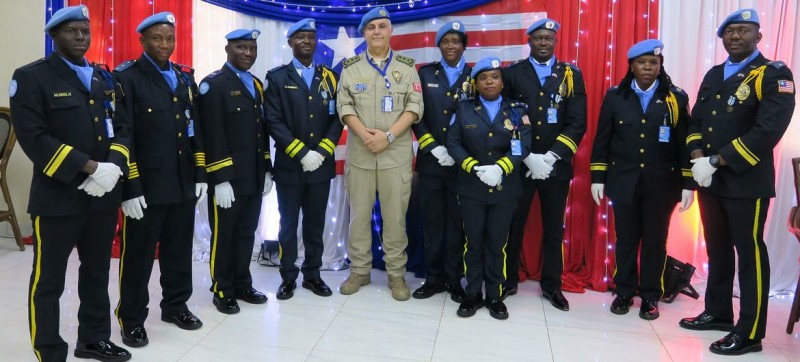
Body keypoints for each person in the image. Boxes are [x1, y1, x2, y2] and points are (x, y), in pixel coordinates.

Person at [10, 5, 132, 362]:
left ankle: (93, 340)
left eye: (85, 31)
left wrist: (114, 168)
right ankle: (48, 349)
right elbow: (34, 137)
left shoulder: (104, 78)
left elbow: (123, 129)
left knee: (96, 273)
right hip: (58, 197)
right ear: (54, 36)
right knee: (49, 280)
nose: (81, 37)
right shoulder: (31, 77)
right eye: (71, 32)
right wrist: (91, 167)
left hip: (101, 197)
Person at [679, 9, 795, 356]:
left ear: (758, 36)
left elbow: (768, 130)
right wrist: (698, 155)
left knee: (749, 253)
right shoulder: (715, 75)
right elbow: (695, 121)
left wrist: (716, 160)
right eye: (729, 32)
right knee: (716, 249)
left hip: (746, 181)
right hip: (710, 180)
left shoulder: (774, 74)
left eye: (743, 31)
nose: (734, 37)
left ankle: (750, 331)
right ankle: (718, 311)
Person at [113, 12, 208, 348]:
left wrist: (200, 173)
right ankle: (132, 318)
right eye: (157, 38)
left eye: (170, 38)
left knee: (178, 249)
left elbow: (195, 130)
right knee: (137, 255)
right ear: (142, 41)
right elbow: (124, 138)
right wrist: (130, 186)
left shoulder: (184, 79)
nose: (165, 45)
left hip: (182, 183)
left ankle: (175, 305)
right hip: (147, 186)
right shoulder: (126, 78)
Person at [589, 39, 694, 321]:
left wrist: (688, 183)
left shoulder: (676, 98)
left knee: (655, 242)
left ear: (661, 66)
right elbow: (603, 140)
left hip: (662, 184)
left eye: (653, 63)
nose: (648, 67)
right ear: (631, 66)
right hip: (623, 182)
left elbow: (685, 142)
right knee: (625, 240)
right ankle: (624, 291)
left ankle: (650, 296)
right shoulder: (615, 97)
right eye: (642, 62)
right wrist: (597, 177)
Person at [336, 7, 423, 301]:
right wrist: (365, 136)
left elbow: (414, 107)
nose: (376, 31)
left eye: (381, 26)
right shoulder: (351, 68)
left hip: (395, 155)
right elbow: (344, 106)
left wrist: (386, 137)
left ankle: (396, 274)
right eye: (371, 27)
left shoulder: (407, 66)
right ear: (364, 33)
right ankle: (360, 270)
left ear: (390, 31)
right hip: (361, 155)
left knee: (395, 218)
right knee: (358, 216)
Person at [502, 18, 587, 311]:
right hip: (521, 163)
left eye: (548, 38)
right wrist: (527, 155)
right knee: (513, 224)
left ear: (555, 42)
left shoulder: (571, 75)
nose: (543, 43)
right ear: (529, 41)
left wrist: (550, 157)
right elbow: (506, 116)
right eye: (538, 38)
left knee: (554, 227)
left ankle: (552, 285)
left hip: (555, 166)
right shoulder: (512, 73)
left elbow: (578, 122)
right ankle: (508, 279)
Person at [448, 57, 531, 320]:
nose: (489, 81)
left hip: (505, 188)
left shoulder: (517, 110)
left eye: (494, 77)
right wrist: (474, 167)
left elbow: (523, 145)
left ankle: (495, 295)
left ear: (501, 81)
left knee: (498, 243)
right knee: (473, 242)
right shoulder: (463, 110)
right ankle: (472, 293)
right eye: (483, 78)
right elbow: (454, 144)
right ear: (476, 83)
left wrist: (501, 168)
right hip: (471, 187)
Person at [265, 18, 342, 300]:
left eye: (311, 37)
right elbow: (273, 121)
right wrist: (301, 152)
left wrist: (320, 152)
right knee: (287, 224)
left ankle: (313, 274)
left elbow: (338, 120)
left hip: (320, 167)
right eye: (300, 38)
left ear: (316, 42)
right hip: (289, 166)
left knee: (314, 224)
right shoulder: (276, 78)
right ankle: (287, 277)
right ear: (290, 43)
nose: (306, 42)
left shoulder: (330, 77)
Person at [197, 29, 271, 314]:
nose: (248, 54)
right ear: (227, 49)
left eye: (252, 48)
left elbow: (260, 132)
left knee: (246, 233)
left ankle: (242, 282)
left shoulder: (255, 84)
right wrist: (220, 178)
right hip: (228, 178)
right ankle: (222, 288)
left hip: (252, 176)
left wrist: (266, 169)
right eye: (241, 48)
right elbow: (210, 134)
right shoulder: (213, 85)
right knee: (224, 234)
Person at [411, 21, 470, 303]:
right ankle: (433, 278)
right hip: (432, 163)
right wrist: (433, 148)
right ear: (439, 45)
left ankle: (454, 279)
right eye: (445, 41)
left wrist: (459, 153)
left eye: (456, 41)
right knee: (432, 222)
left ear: (463, 46)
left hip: (462, 165)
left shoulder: (476, 75)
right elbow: (415, 115)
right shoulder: (424, 74)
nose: (450, 46)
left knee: (457, 224)